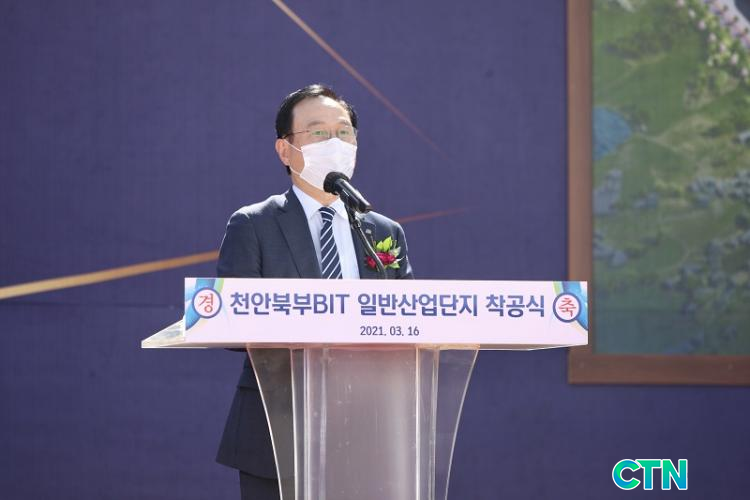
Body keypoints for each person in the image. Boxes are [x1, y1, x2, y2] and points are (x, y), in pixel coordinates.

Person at [214, 84, 414, 500]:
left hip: (371, 426)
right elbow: (233, 322)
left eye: (344, 132)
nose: (334, 143)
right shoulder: (253, 224)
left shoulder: (383, 231)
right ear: (285, 150)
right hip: (279, 428)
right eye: (318, 133)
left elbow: (409, 322)